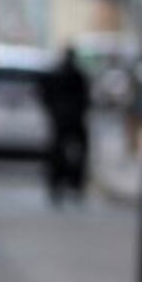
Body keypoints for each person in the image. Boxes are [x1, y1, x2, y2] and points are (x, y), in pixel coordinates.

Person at [41, 45, 90, 205]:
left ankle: (65, 183)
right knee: (65, 152)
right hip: (67, 119)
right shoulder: (71, 74)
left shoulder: (68, 74)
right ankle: (68, 183)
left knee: (63, 152)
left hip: (65, 119)